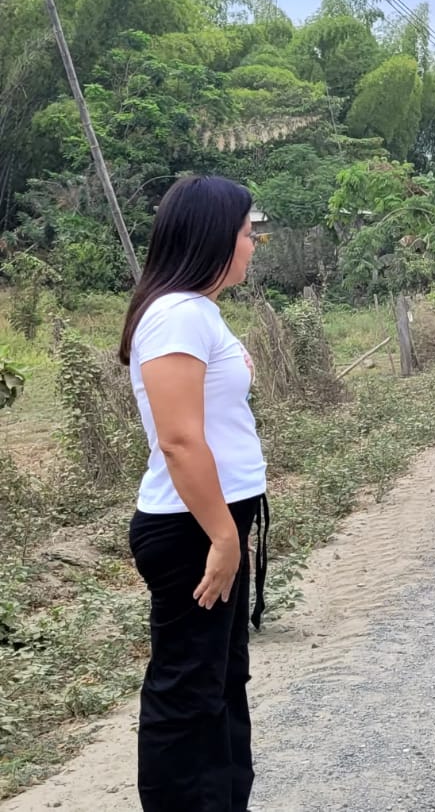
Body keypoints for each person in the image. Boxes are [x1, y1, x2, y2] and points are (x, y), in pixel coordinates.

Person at [118, 174, 269, 811]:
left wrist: (232, 529)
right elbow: (180, 441)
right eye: (247, 232)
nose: (253, 244)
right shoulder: (176, 315)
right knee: (187, 692)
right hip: (192, 529)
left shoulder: (197, 311)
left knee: (221, 681)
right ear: (214, 238)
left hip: (211, 522)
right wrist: (223, 536)